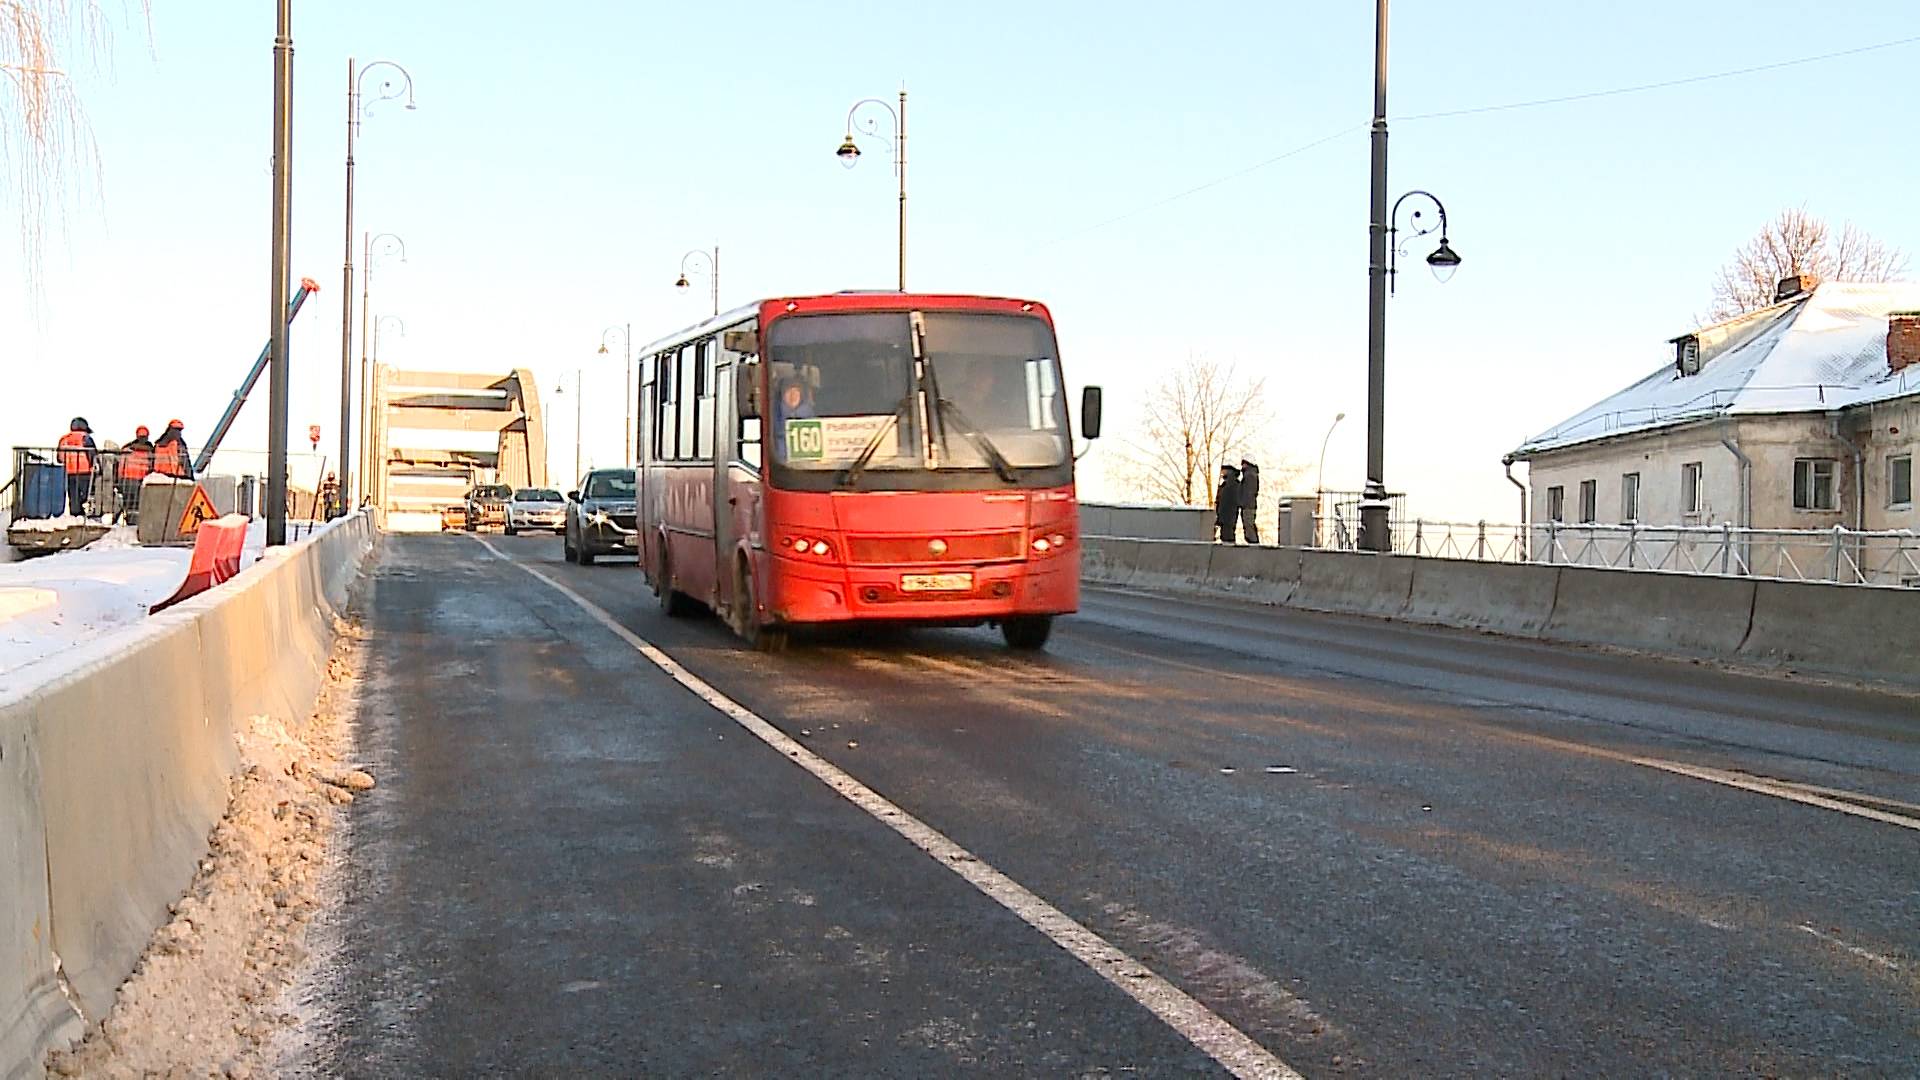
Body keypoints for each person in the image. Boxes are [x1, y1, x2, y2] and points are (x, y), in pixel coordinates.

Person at [56, 417, 98, 517]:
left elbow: (59, 458)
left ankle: (75, 517)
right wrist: (94, 467)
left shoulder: (64, 439)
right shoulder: (85, 438)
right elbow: (93, 455)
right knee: (85, 497)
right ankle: (86, 517)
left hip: (70, 472)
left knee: (73, 498)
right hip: (85, 472)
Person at [117, 424, 156, 523]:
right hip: (142, 482)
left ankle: (130, 522)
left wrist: (119, 481)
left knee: (128, 505)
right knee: (139, 506)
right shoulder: (151, 452)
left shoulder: (127, 449)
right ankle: (137, 524)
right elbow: (152, 467)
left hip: (127, 481)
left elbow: (121, 467)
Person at [1214, 463, 1241, 544]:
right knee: (1225, 533)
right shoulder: (1226, 484)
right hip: (1224, 513)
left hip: (1228, 513)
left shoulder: (1232, 484)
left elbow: (1228, 500)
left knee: (1228, 533)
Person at [1237, 458, 1261, 545]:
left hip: (1248, 505)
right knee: (1248, 524)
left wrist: (1243, 502)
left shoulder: (1249, 475)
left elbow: (1248, 492)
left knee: (1248, 523)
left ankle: (1253, 542)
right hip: (1248, 504)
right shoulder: (1250, 475)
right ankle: (1252, 541)